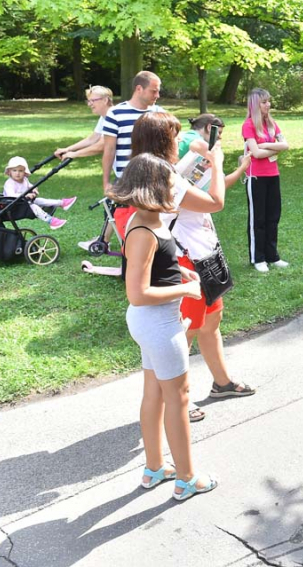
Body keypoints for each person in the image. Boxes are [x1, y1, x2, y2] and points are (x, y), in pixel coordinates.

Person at [130, 112, 252, 420]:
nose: (179, 142)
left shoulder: (164, 170)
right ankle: (179, 398)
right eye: (174, 137)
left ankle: (221, 382)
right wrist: (217, 162)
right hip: (185, 257)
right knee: (186, 328)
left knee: (211, 320)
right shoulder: (162, 177)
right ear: (163, 142)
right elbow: (215, 202)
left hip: (202, 251)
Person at [111, 152, 217, 501]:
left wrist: (177, 270)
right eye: (171, 185)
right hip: (157, 323)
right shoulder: (143, 230)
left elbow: (156, 262)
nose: (176, 190)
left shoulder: (147, 219)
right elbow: (138, 293)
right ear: (152, 189)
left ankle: (155, 467)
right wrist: (186, 290)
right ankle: (186, 478)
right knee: (179, 398)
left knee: (155, 393)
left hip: (154, 323)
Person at [100, 71, 165, 242]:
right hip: (126, 178)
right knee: (126, 218)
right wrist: (106, 182)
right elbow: (109, 150)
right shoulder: (116, 113)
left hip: (154, 177)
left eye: (158, 91)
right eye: (153, 91)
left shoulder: (159, 112)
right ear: (139, 89)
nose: (157, 95)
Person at [242, 88, 289, 272]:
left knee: (273, 217)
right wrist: (274, 148)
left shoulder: (271, 124)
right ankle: (258, 258)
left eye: (269, 101)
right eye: (264, 102)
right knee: (258, 219)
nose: (268, 105)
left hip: (273, 175)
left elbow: (285, 145)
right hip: (256, 177)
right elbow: (256, 153)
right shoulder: (248, 125)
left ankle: (272, 256)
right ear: (255, 105)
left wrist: (265, 145)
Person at [2, 156, 76, 230]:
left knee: (42, 200)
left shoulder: (24, 180)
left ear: (24, 172)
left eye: (20, 171)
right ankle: (51, 220)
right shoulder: (9, 183)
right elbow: (10, 195)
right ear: (9, 172)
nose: (17, 173)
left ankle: (62, 203)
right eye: (14, 170)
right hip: (14, 207)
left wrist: (34, 189)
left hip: (24, 202)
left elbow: (29, 186)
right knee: (34, 207)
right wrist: (26, 195)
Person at [55, 86, 115, 160]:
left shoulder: (113, 116)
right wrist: (68, 149)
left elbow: (102, 146)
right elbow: (92, 139)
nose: (89, 104)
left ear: (105, 100)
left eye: (93, 100)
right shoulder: (104, 116)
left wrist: (75, 154)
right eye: (88, 101)